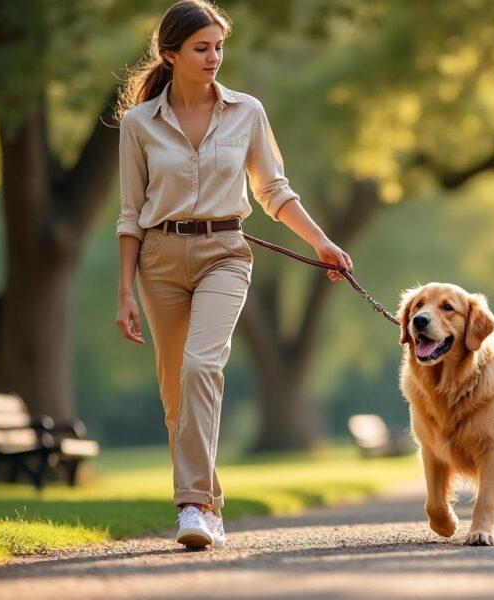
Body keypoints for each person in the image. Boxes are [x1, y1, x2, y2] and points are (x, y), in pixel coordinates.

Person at [112, 0, 353, 550]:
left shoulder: (247, 112)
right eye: (202, 48)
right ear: (170, 54)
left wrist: (321, 242)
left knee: (202, 366)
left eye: (219, 46)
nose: (214, 57)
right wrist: (124, 290)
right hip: (159, 261)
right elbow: (129, 214)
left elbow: (273, 191)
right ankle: (209, 503)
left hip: (226, 252)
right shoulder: (137, 124)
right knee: (176, 393)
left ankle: (193, 506)